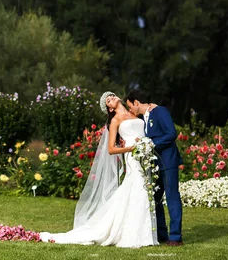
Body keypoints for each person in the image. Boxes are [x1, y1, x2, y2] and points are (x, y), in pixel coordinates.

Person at [39, 92, 158, 248]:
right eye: (108, 100)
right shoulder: (115, 120)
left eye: (112, 96)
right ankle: (135, 236)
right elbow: (111, 149)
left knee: (142, 190)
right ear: (108, 108)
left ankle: (145, 234)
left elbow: (145, 114)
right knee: (138, 189)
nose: (111, 99)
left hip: (145, 154)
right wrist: (132, 148)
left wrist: (151, 109)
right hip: (132, 155)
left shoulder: (133, 112)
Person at [126, 90, 183, 246]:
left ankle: (176, 237)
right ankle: (161, 234)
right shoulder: (143, 119)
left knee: (172, 197)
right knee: (155, 199)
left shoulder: (160, 111)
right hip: (154, 164)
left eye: (130, 106)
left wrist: (150, 143)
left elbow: (171, 133)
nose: (130, 110)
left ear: (136, 102)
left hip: (168, 162)